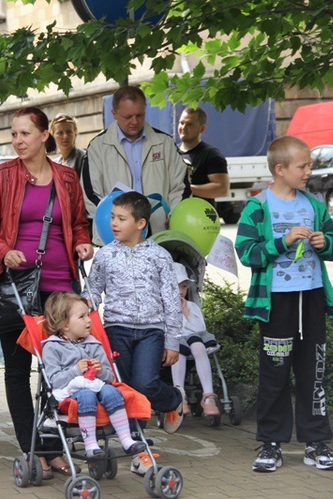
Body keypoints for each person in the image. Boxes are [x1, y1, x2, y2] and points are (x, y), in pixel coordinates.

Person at [0, 107, 93, 478]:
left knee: (58, 372)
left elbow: (77, 223)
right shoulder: (1, 175)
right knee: (17, 370)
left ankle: (54, 446)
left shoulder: (68, 177)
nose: (17, 141)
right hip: (15, 285)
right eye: (13, 134)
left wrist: (83, 243)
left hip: (61, 288)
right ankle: (33, 448)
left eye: (25, 133)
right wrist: (1, 251)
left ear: (45, 136)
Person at [235, 136, 333, 473]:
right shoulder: (258, 206)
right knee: (274, 375)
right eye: (303, 166)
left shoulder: (314, 205)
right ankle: (270, 444)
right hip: (276, 302)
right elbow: (247, 252)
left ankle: (315, 443)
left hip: (310, 298)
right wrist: (282, 241)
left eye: (309, 165)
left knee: (313, 373)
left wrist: (325, 243)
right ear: (280, 170)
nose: (309, 171)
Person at [83, 191, 184, 475]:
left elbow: (171, 299)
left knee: (146, 383)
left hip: (152, 330)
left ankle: (174, 399)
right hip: (117, 328)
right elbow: (93, 292)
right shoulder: (105, 256)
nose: (114, 223)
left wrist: (172, 340)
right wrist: (80, 313)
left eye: (121, 218)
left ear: (141, 223)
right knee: (126, 387)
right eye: (113, 217)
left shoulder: (159, 256)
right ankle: (138, 445)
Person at [41, 293, 146, 458]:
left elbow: (110, 378)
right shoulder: (52, 347)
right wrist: (75, 370)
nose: (89, 320)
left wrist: (101, 371)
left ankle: (126, 439)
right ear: (65, 325)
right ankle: (90, 444)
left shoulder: (93, 343)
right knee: (86, 395)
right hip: (71, 393)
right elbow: (54, 380)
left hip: (98, 387)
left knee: (113, 392)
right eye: (82, 317)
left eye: (88, 315)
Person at [82, 86, 188, 241]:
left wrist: (173, 215)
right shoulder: (98, 147)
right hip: (113, 238)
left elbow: (180, 187)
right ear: (114, 114)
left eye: (140, 115)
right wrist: (119, 222)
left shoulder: (164, 143)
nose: (135, 121)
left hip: (159, 232)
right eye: (128, 116)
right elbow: (91, 195)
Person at [169, 262, 219, 417]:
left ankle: (208, 395)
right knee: (179, 349)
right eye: (177, 287)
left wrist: (185, 311)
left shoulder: (192, 306)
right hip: (175, 340)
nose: (180, 291)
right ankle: (180, 394)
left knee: (198, 345)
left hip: (194, 338)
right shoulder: (162, 306)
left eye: (184, 287)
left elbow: (199, 328)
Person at [177, 107, 229, 209]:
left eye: (189, 124)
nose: (183, 127)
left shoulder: (211, 155)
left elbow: (223, 189)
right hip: (174, 218)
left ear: (202, 128)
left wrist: (188, 189)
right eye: (181, 123)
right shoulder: (171, 152)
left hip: (201, 220)